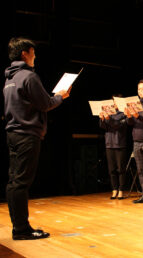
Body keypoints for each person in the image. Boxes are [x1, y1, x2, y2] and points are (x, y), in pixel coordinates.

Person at [3, 37, 70, 240]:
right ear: (25, 54)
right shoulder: (28, 77)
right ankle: (21, 229)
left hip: (13, 133)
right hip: (26, 134)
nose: (35, 56)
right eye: (33, 52)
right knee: (20, 183)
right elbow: (45, 103)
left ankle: (19, 226)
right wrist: (60, 96)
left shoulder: (9, 78)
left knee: (15, 182)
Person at [99, 96, 128, 200]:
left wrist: (108, 119)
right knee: (112, 169)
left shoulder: (124, 113)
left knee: (120, 169)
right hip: (109, 144)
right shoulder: (109, 113)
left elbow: (118, 126)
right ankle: (114, 189)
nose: (114, 104)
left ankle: (121, 190)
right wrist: (102, 119)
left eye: (115, 102)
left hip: (120, 144)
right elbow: (103, 127)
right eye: (112, 102)